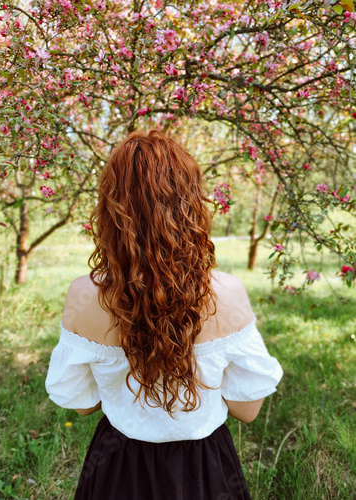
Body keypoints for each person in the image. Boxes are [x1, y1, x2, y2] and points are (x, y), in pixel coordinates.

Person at [45, 129, 283, 500]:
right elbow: (247, 410)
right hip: (204, 470)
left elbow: (83, 404)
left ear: (110, 209)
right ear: (189, 205)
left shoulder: (84, 294)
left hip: (117, 468)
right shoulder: (227, 293)